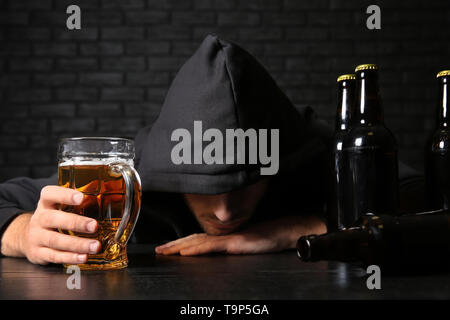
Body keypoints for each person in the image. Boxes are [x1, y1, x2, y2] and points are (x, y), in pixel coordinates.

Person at [0, 35, 424, 265]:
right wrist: (22, 234)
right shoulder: (126, 178)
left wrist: (287, 229)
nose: (225, 213)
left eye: (243, 184)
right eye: (204, 185)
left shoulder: (316, 152)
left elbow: (419, 195)